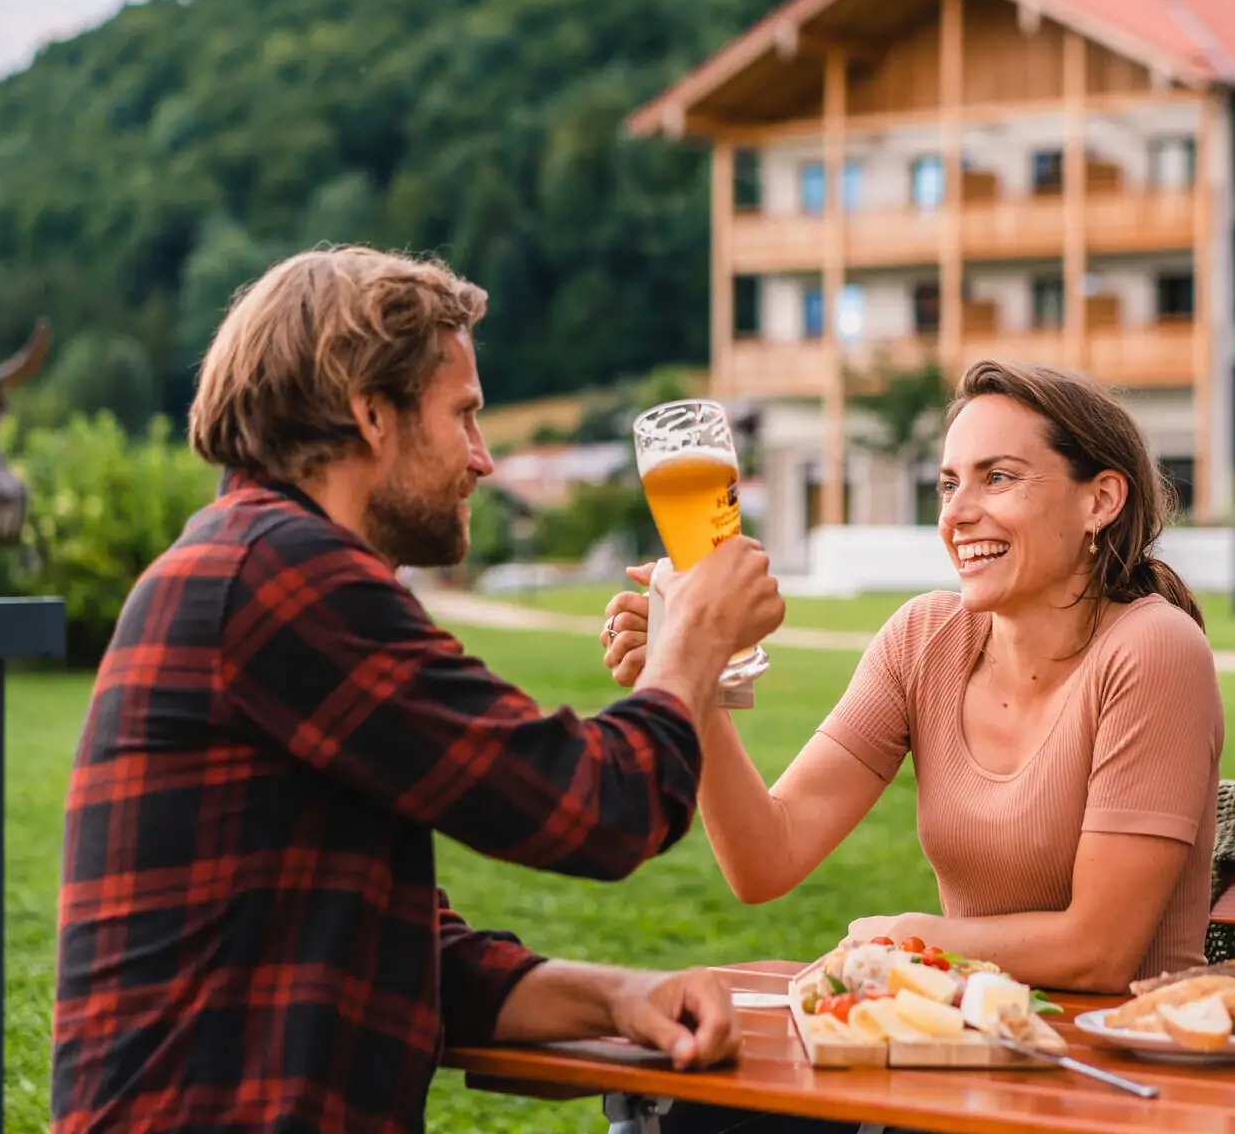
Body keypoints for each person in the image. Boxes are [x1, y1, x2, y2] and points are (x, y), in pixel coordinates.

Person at [50, 246, 785, 1134]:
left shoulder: (254, 564)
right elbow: (595, 806)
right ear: (372, 416)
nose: (483, 460)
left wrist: (622, 999)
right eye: (464, 416)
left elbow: (404, 953)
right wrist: (695, 639)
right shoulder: (283, 577)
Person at [600, 359, 1223, 995]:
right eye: (948, 484)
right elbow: (766, 859)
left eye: (998, 478)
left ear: (1101, 500)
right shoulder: (924, 639)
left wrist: (902, 938)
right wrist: (698, 679)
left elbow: (1099, 951)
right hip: (976, 1048)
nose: (958, 514)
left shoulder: (1155, 649)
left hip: (1138, 1066)